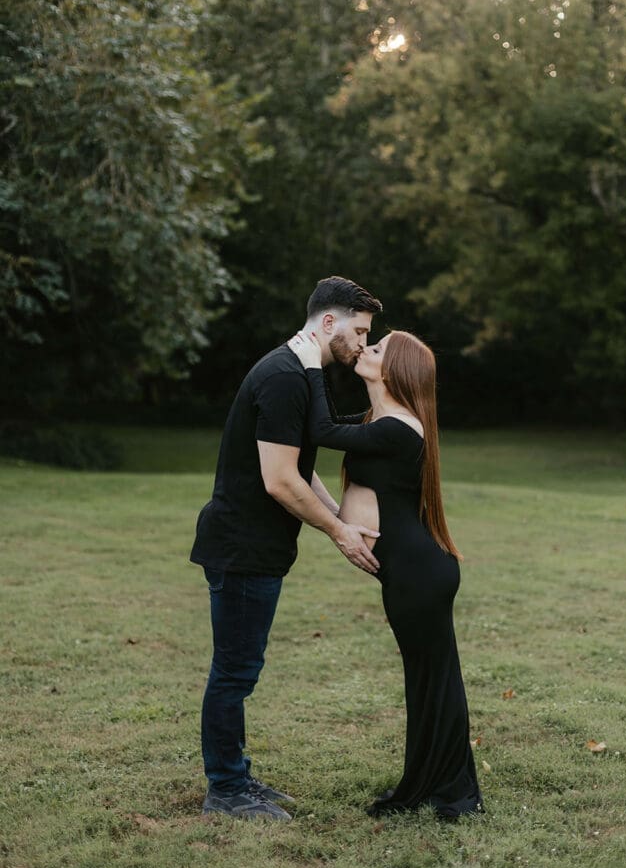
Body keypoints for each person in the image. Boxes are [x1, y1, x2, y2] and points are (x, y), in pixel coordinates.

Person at [189, 277, 383, 821]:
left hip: (257, 548)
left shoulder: (297, 374)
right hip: (242, 547)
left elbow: (300, 471)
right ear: (328, 323)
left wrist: (345, 520)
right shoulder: (283, 377)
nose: (364, 344)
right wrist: (339, 533)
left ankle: (236, 776)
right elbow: (279, 481)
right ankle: (225, 789)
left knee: (240, 668)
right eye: (359, 331)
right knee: (234, 672)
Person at [288, 328, 483, 820]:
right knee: (426, 680)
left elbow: (321, 431)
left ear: (393, 370)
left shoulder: (398, 427)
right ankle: (432, 784)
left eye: (376, 348)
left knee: (434, 681)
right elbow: (329, 426)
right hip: (414, 572)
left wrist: (311, 364)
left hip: (420, 575)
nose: (365, 349)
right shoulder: (381, 418)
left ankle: (455, 795)